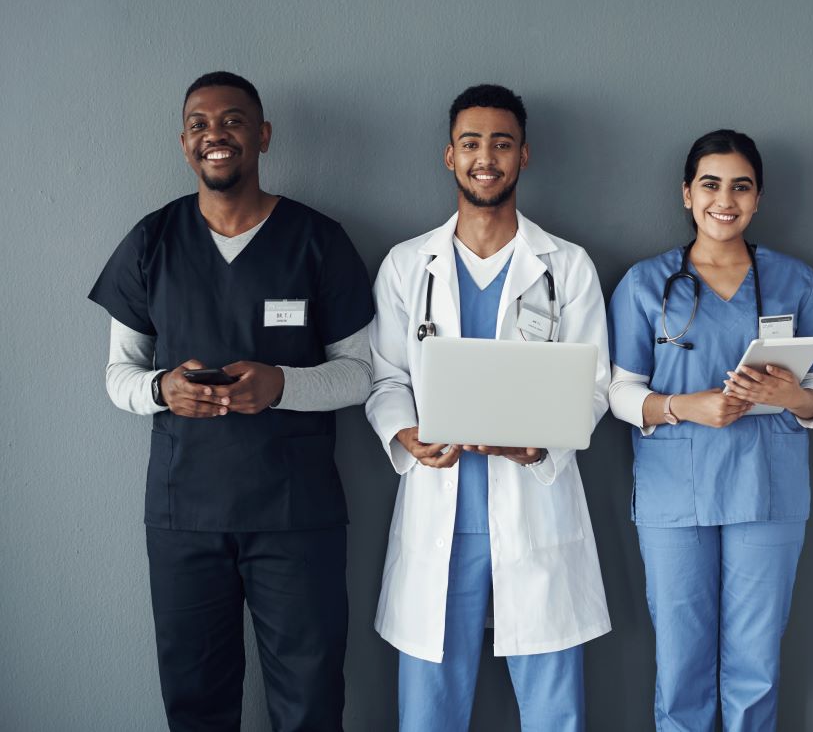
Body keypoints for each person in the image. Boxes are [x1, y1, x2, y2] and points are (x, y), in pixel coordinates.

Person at [88, 71, 375, 730]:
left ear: (263, 135)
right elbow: (118, 373)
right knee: (195, 702)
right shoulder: (152, 242)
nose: (214, 134)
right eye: (199, 124)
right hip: (185, 514)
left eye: (233, 120)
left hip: (296, 516)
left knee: (310, 700)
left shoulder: (318, 240)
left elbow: (359, 373)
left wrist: (282, 384)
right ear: (184, 143)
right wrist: (161, 388)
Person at [365, 84, 611, 731]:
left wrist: (542, 443)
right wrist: (406, 434)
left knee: (555, 712)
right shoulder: (407, 266)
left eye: (502, 144)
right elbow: (386, 378)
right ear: (450, 155)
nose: (486, 157)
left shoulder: (567, 266)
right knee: (429, 713)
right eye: (471, 143)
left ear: (523, 155)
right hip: (440, 517)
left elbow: (594, 386)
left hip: (535, 509)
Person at [607, 129, 813, 731]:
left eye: (741, 187)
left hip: (767, 488)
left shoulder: (793, 280)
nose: (725, 199)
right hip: (674, 493)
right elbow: (618, 392)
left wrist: (794, 397)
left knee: (756, 663)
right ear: (686, 194)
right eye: (710, 184)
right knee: (680, 661)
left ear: (758, 198)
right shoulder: (646, 283)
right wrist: (684, 406)